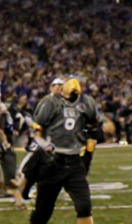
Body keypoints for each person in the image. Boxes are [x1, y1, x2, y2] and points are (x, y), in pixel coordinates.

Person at [28, 77, 104, 224]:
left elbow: (93, 131)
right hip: (52, 161)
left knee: (84, 207)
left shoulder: (87, 103)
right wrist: (44, 148)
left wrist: (87, 156)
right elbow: (37, 130)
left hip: (74, 161)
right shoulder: (50, 103)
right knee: (42, 212)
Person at [0, 102, 25, 210]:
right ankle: (20, 201)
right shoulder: (8, 111)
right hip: (6, 148)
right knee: (9, 179)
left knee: (10, 179)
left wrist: (6, 142)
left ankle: (20, 201)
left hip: (5, 148)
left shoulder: (8, 112)